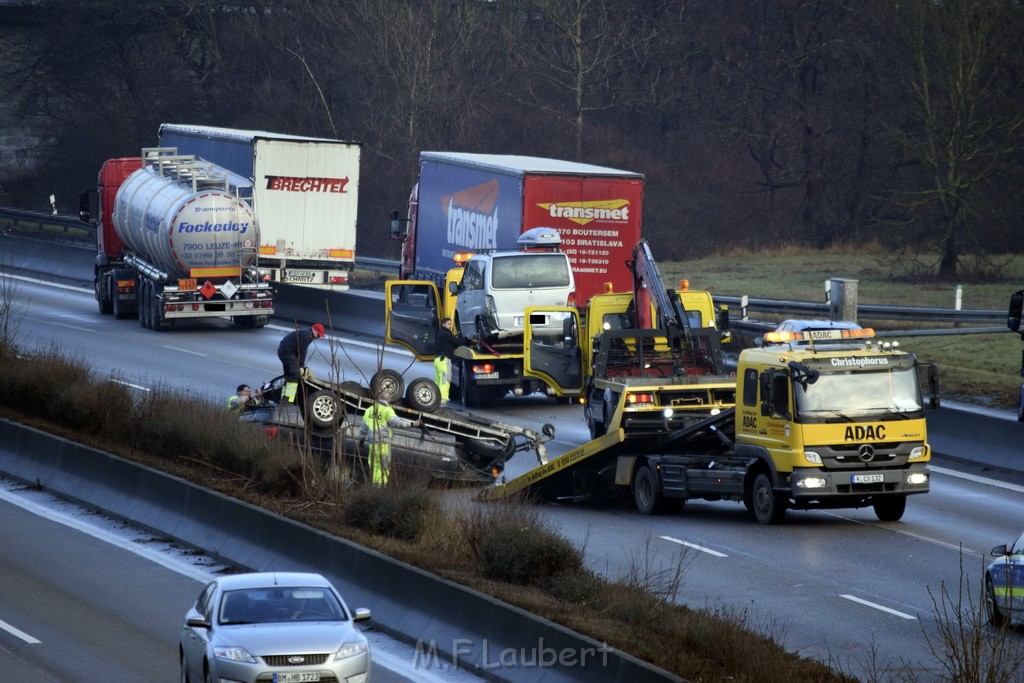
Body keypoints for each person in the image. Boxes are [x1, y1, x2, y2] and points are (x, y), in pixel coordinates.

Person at [358, 390, 422, 486]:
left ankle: (373, 488)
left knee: (374, 466)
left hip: (372, 444)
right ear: (389, 399)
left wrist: (361, 442)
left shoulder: (369, 410)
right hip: (383, 445)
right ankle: (380, 488)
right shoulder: (388, 411)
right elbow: (399, 423)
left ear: (379, 398)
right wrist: (413, 423)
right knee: (383, 467)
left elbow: (362, 429)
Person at [277, 323, 325, 403]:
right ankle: (288, 400)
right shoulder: (307, 335)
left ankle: (284, 398)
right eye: (318, 334)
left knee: (289, 375)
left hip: (285, 351)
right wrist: (301, 367)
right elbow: (302, 352)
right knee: (294, 375)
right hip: (287, 352)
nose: (319, 337)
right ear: (314, 330)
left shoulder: (307, 334)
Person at [433, 317, 471, 406]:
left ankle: (435, 399)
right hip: (444, 360)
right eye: (449, 324)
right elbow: (457, 342)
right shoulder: (446, 333)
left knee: (438, 381)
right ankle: (442, 400)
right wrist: (467, 339)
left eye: (452, 324)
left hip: (438, 360)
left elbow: (452, 343)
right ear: (444, 325)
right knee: (445, 381)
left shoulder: (440, 333)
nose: (451, 326)